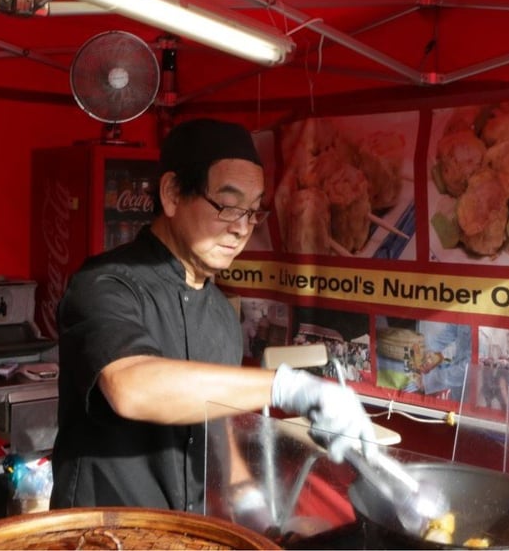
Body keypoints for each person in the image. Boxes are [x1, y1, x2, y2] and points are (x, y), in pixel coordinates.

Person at [49, 118, 379, 518]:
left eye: (253, 211)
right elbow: (130, 386)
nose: (242, 229)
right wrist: (288, 387)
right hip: (100, 537)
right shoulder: (105, 284)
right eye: (227, 205)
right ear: (172, 194)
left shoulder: (222, 315)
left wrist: (251, 502)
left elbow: (215, 428)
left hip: (185, 537)